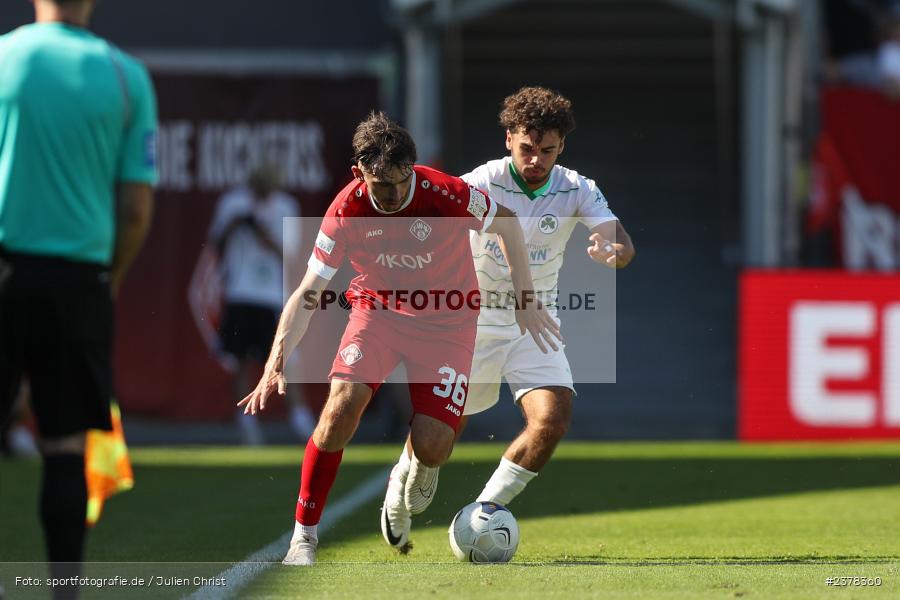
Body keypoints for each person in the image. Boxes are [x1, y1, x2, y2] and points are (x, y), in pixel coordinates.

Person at [238, 111, 560, 566]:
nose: (388, 197)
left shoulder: (445, 193)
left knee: (433, 445)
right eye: (377, 185)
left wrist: (525, 296)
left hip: (448, 321)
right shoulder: (346, 208)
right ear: (360, 174)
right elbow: (309, 291)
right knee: (338, 411)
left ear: (412, 169)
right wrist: (277, 358)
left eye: (396, 184)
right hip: (378, 313)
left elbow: (506, 222)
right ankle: (303, 539)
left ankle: (418, 465)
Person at [380, 86, 636, 551]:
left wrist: (612, 250)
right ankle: (404, 476)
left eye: (548, 150)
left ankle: (483, 512)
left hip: (535, 323)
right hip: (469, 322)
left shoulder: (578, 188)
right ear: (508, 139)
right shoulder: (480, 182)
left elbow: (618, 239)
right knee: (442, 435)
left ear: (562, 147)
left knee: (553, 419)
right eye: (527, 148)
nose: (536, 159)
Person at [0, 0, 156, 595]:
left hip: (5, 267)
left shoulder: (4, 58)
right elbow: (137, 209)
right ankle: (64, 589)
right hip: (79, 280)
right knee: (64, 442)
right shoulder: (124, 76)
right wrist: (109, 277)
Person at [208, 164, 314, 445]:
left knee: (286, 360)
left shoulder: (285, 205)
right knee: (241, 361)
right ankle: (247, 425)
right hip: (239, 294)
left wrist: (261, 232)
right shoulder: (232, 203)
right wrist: (235, 224)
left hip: (270, 297)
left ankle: (301, 420)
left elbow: (288, 254)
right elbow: (216, 243)